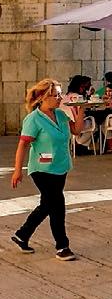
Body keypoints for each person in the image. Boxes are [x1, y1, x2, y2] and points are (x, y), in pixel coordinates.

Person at [11, 79, 82, 260]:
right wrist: (17, 170)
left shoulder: (61, 115)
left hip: (60, 166)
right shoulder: (33, 119)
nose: (60, 98)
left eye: (60, 94)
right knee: (57, 204)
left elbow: (77, 130)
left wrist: (81, 109)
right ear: (43, 97)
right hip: (41, 168)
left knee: (48, 204)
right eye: (56, 95)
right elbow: (22, 145)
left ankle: (22, 235)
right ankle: (62, 246)